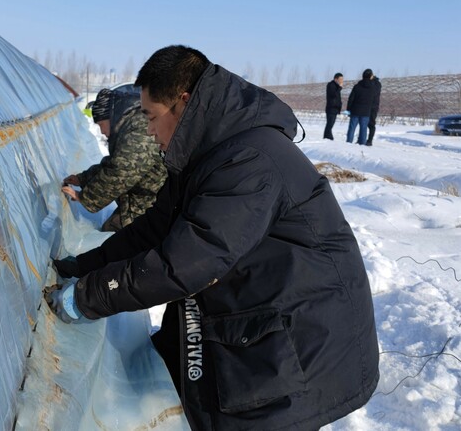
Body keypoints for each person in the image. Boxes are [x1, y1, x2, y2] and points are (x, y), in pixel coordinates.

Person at [46, 45, 379, 430]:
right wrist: (83, 266)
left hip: (301, 343)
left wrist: (88, 296)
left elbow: (185, 262)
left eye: (152, 118)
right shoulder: (207, 154)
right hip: (255, 313)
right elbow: (156, 228)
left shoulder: (249, 160)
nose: (150, 131)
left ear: (183, 103)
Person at [61, 87, 167, 232]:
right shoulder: (131, 124)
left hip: (154, 204)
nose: (103, 132)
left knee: (113, 240)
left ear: (111, 117)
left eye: (101, 125)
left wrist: (86, 197)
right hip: (142, 199)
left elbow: (122, 170)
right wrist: (83, 178)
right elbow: (115, 163)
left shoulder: (139, 128)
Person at [346, 69, 377, 145]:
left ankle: (348, 143)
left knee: (352, 128)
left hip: (355, 110)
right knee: (363, 129)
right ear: (370, 76)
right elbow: (374, 100)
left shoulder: (357, 86)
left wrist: (349, 109)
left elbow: (351, 99)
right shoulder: (373, 88)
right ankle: (362, 145)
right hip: (366, 112)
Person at [323, 72, 343, 139]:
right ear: (336, 79)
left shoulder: (336, 86)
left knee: (330, 124)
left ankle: (327, 137)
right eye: (340, 79)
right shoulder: (331, 85)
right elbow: (333, 95)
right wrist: (339, 88)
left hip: (335, 108)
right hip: (331, 108)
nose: (341, 81)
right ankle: (328, 137)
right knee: (330, 124)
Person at [366, 75, 382, 146]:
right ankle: (363, 139)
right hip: (369, 106)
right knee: (364, 123)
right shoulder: (374, 83)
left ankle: (369, 140)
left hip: (373, 107)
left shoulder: (377, 84)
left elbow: (373, 93)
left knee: (371, 124)